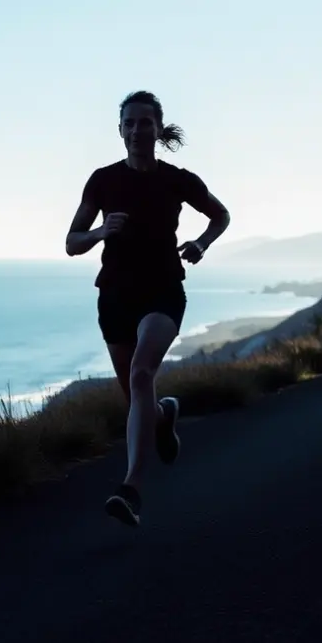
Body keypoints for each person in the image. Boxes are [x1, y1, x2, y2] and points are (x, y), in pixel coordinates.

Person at [64, 90, 231, 527]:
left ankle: (132, 489)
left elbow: (220, 215)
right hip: (115, 296)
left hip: (163, 291)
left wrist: (200, 243)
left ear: (158, 129)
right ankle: (163, 414)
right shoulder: (102, 181)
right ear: (120, 131)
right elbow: (71, 243)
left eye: (145, 122)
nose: (138, 130)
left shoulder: (178, 180)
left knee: (142, 375)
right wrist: (100, 232)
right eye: (130, 123)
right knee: (137, 395)